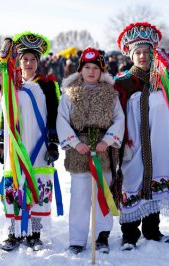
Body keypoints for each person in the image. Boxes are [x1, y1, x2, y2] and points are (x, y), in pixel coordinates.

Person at [114, 22, 169, 251]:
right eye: (138, 52)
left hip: (158, 145)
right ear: (131, 56)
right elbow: (115, 116)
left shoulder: (163, 81)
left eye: (146, 52)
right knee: (132, 182)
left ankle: (152, 230)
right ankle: (129, 235)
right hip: (132, 146)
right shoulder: (122, 83)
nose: (143, 56)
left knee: (155, 181)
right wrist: (121, 144)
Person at [57, 47, 125, 254]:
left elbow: (119, 119)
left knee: (102, 194)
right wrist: (75, 143)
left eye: (95, 67)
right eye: (87, 67)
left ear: (101, 70)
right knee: (79, 196)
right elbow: (62, 119)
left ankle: (101, 235)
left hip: (103, 150)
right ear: (80, 70)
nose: (91, 71)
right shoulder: (70, 93)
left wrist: (109, 139)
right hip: (79, 150)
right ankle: (77, 239)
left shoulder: (110, 94)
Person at [0, 32, 61, 251]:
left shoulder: (48, 86)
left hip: (40, 144)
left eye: (34, 59)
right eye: (25, 59)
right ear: (19, 61)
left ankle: (35, 232)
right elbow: (4, 115)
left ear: (38, 62)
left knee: (38, 187)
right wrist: (1, 144)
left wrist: (53, 143)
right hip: (16, 147)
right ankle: (13, 233)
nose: (29, 63)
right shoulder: (10, 84)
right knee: (15, 186)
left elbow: (54, 115)